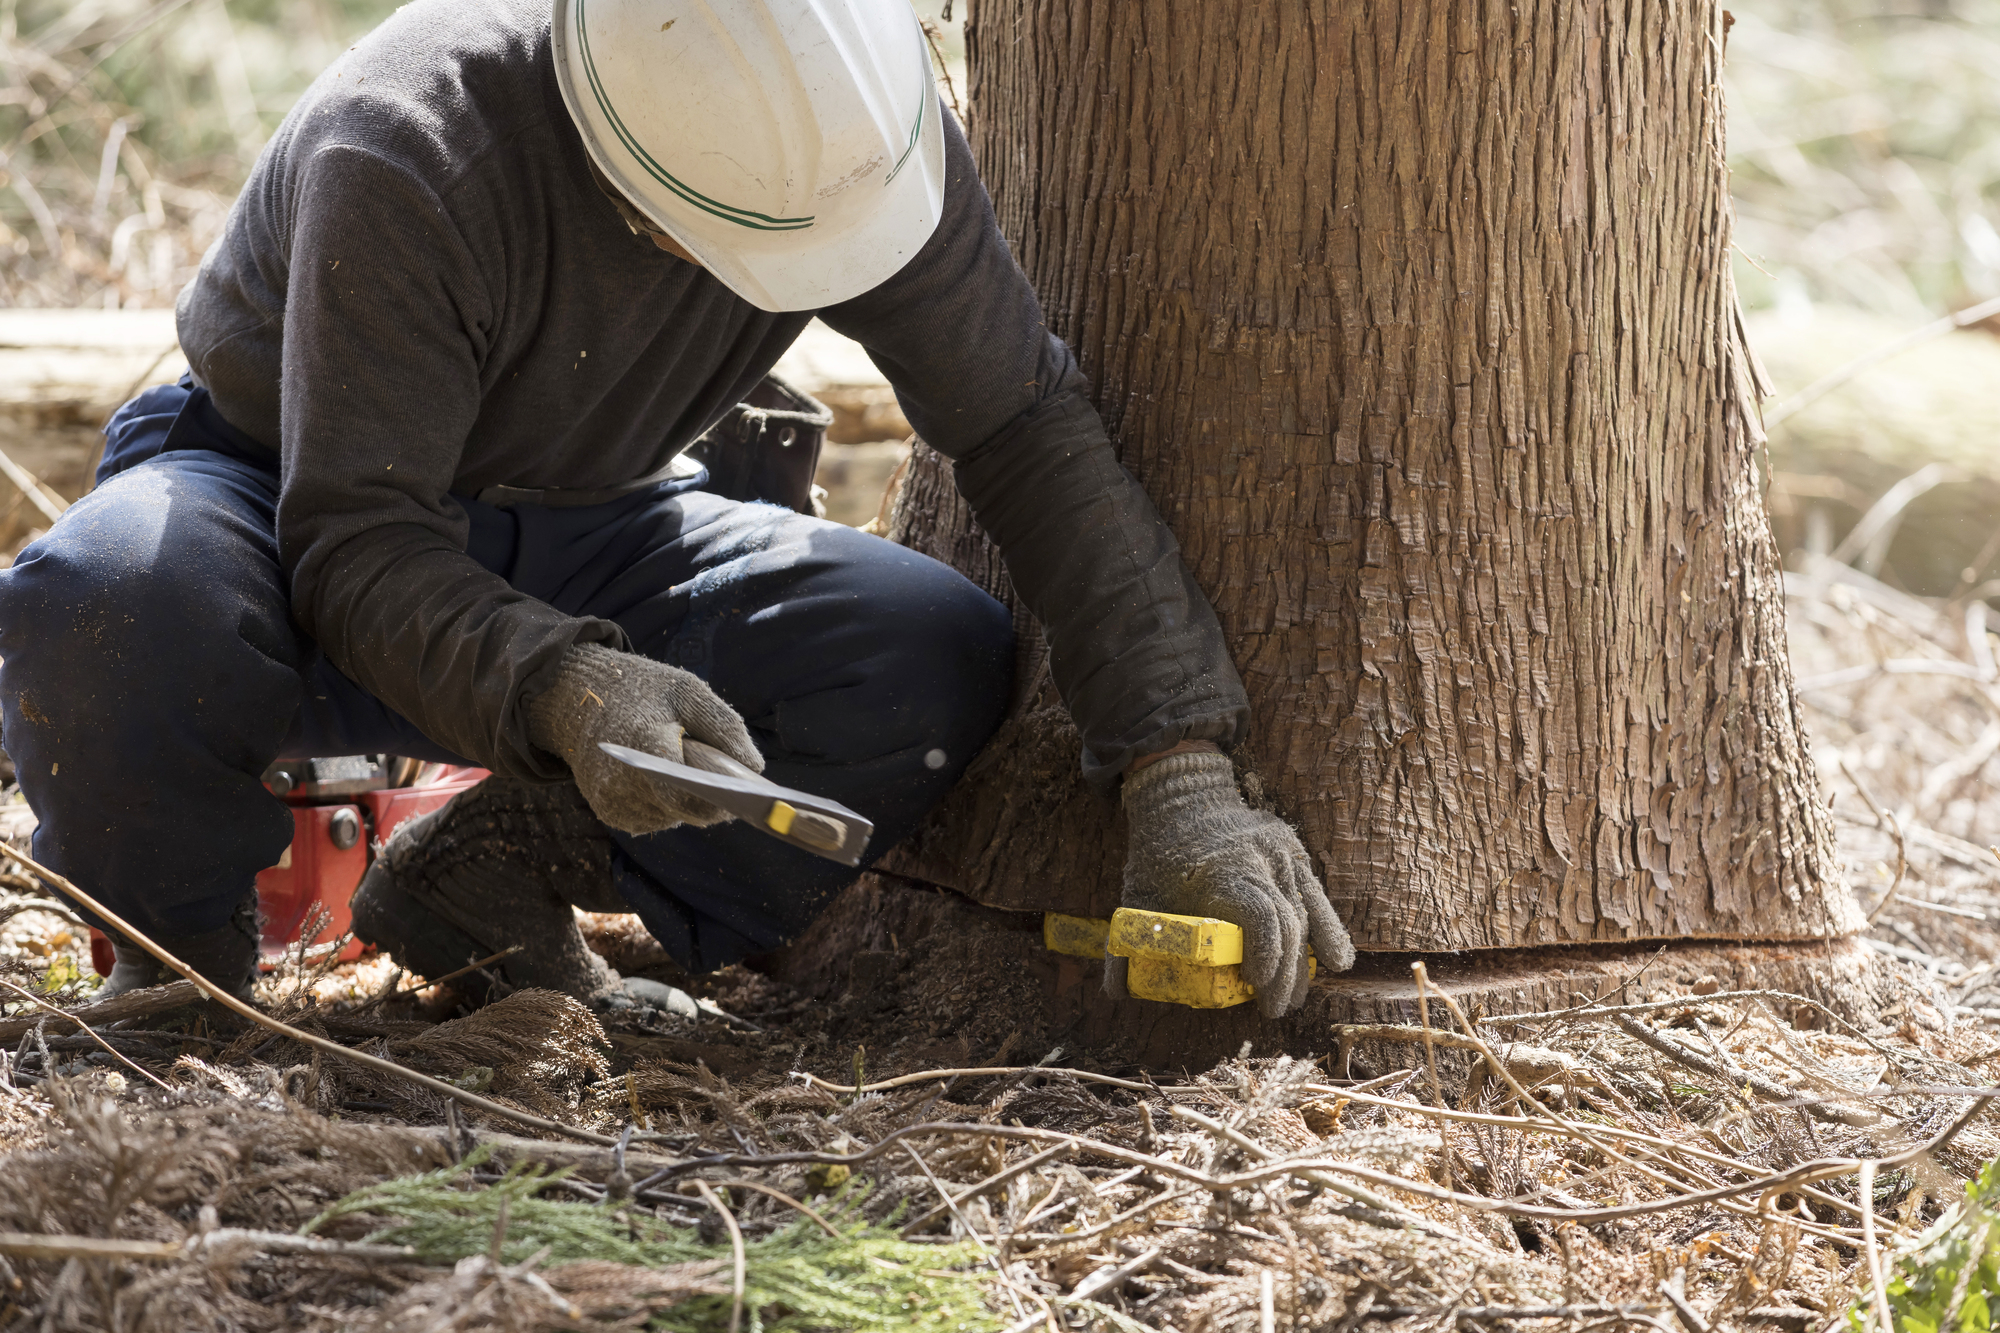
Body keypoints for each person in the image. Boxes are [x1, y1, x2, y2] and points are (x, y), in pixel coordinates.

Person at [0, 0, 1353, 1019]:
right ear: (633, 191)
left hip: (601, 508)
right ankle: (184, 980)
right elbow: (359, 545)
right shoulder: (415, 145)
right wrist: (563, 688)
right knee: (116, 596)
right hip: (287, 498)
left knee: (918, 654)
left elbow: (1022, 423)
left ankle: (489, 872)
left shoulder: (853, 128)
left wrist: (1179, 765)